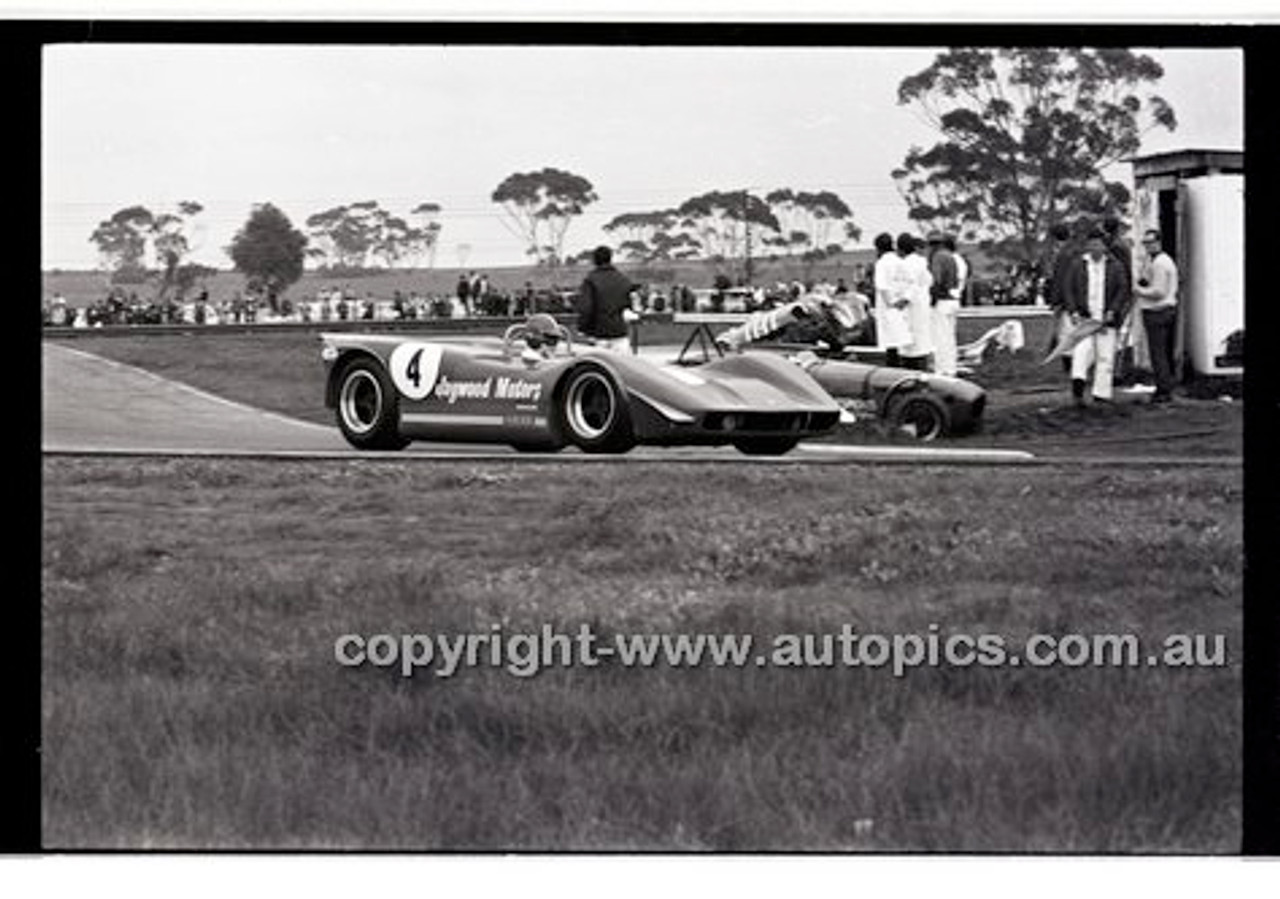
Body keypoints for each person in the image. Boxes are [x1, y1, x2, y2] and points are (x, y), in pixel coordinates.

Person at [1062, 227, 1131, 406]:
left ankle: (1101, 395)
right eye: (1091, 244)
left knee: (1105, 356)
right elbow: (1068, 289)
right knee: (1081, 352)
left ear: (1104, 246)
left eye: (1098, 244)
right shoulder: (1078, 265)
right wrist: (1073, 311)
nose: (1095, 248)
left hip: (1106, 318)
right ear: (1087, 246)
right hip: (1085, 318)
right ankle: (1078, 388)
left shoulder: (1115, 266)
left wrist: (1113, 310)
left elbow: (1122, 289)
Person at [1133, 228, 1179, 403]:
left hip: (1157, 310)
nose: (1147, 246)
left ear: (1158, 242)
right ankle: (1165, 385)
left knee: (1157, 353)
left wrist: (1139, 291)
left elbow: (1159, 291)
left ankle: (1163, 390)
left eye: (1151, 243)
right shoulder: (1159, 261)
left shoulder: (1160, 263)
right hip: (1164, 310)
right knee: (1162, 351)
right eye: (1145, 243)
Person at [575, 245, 635, 352]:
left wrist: (582, 328)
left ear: (595, 260)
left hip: (599, 333)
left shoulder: (590, 280)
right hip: (620, 331)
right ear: (610, 258)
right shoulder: (623, 279)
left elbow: (586, 308)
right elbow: (629, 305)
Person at [872, 232, 911, 367]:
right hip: (903, 306)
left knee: (890, 344)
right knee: (902, 341)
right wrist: (904, 300)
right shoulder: (901, 262)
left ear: (878, 248)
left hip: (888, 307)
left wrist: (892, 303)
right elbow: (910, 283)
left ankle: (893, 371)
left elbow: (882, 286)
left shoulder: (881, 263)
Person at [899, 232, 934, 371]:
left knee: (911, 343)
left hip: (911, 306)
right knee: (922, 340)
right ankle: (922, 371)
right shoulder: (921, 261)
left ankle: (913, 373)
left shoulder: (907, 264)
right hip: (922, 304)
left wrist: (904, 300)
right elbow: (929, 281)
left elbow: (911, 285)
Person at [927, 231, 959, 376]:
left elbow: (937, 280)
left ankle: (941, 371)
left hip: (942, 301)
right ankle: (951, 368)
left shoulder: (938, 257)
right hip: (952, 300)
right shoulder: (951, 257)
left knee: (940, 339)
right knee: (950, 338)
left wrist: (932, 300)